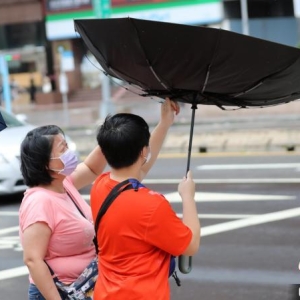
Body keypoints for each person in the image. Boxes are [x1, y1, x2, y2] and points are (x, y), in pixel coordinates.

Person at [90, 98, 201, 300]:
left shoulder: (100, 186)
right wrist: (188, 198)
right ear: (143, 151)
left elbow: (138, 170)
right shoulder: (151, 205)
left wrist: (165, 123)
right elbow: (190, 244)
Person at [19, 125, 107, 300]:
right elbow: (33, 260)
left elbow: (92, 168)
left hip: (82, 288)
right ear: (46, 163)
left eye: (67, 145)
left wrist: (109, 134)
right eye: (63, 148)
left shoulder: (63, 184)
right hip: (58, 293)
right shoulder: (39, 202)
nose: (69, 152)